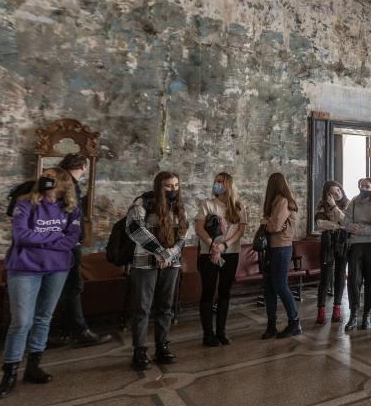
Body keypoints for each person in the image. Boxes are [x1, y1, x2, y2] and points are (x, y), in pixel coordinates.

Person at [0, 168, 82, 399]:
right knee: (22, 321)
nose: (46, 178)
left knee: (44, 317)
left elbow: (72, 239)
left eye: (51, 175)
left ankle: (34, 365)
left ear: (63, 182)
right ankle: (10, 372)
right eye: (44, 174)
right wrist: (56, 236)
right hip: (25, 267)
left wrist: (42, 240)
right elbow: (21, 236)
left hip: (58, 268)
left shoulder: (70, 208)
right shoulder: (26, 203)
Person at [126, 171, 191, 370]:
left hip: (171, 263)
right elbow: (135, 229)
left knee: (165, 307)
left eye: (176, 185)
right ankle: (139, 351)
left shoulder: (179, 206)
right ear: (159, 186)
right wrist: (160, 252)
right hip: (145, 262)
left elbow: (183, 234)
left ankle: (162, 346)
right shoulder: (143, 202)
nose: (173, 189)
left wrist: (169, 254)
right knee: (142, 308)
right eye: (168, 186)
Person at [55, 154, 112, 347]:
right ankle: (79, 332)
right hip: (67, 245)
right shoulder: (68, 185)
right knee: (72, 286)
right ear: (83, 167)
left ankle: (56, 332)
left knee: (65, 287)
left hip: (63, 244)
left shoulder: (65, 184)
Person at [194, 172, 246, 347]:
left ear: (228, 185)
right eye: (216, 181)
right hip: (208, 253)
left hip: (231, 253)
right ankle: (208, 334)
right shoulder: (207, 204)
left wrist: (224, 245)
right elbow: (199, 228)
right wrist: (213, 245)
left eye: (220, 182)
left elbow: (240, 231)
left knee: (225, 292)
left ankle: (221, 332)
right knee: (208, 292)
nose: (217, 184)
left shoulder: (238, 207)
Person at [259, 172, 300, 339]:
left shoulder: (282, 200)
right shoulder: (276, 201)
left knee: (280, 285)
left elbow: (274, 226)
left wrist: (265, 222)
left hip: (281, 248)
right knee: (268, 287)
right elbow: (274, 225)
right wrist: (269, 222)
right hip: (273, 248)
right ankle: (271, 325)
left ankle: (294, 322)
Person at [343, 178, 371, 332]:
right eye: (362, 186)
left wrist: (361, 230)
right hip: (355, 245)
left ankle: (367, 314)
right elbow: (346, 222)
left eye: (367, 186)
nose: (364, 188)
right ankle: (353, 315)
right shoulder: (353, 203)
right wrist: (358, 228)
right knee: (354, 280)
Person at [315, 180, 349, 324]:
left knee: (340, 276)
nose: (338, 193)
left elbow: (347, 222)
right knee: (325, 277)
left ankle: (337, 309)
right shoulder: (322, 205)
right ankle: (321, 311)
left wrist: (335, 207)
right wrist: (338, 225)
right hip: (328, 243)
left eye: (339, 190)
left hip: (342, 242)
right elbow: (320, 224)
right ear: (328, 195)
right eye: (334, 192)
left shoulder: (347, 204)